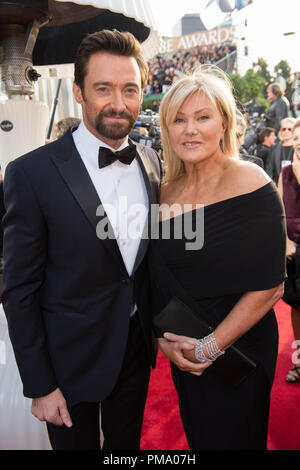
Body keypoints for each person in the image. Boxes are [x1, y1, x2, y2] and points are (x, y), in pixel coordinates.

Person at [2, 29, 161, 450]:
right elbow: (18, 289)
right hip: (66, 361)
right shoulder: (31, 173)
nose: (118, 103)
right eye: (103, 88)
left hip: (134, 350)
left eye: (130, 89)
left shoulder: (151, 161)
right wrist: (39, 384)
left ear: (142, 92)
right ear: (78, 91)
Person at [148, 65, 286, 450]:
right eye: (179, 119)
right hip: (184, 352)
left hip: (237, 353)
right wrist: (165, 343)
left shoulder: (250, 181)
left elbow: (271, 286)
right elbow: (156, 276)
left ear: (224, 124)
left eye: (202, 117)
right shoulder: (163, 191)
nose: (190, 129)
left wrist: (210, 348)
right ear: (167, 129)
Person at [278, 119, 300, 382]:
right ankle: (298, 362)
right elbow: (279, 213)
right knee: (297, 306)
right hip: (295, 249)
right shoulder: (285, 173)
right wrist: (284, 242)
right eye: (296, 138)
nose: (297, 142)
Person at [265, 117, 296, 185]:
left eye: (289, 129)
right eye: (284, 129)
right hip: (278, 187)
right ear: (281, 131)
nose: (286, 131)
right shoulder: (274, 148)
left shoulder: (297, 148)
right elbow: (269, 170)